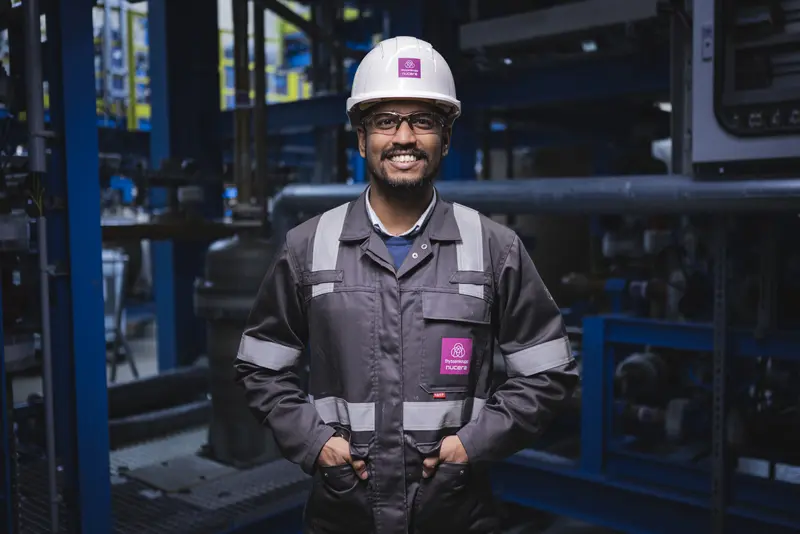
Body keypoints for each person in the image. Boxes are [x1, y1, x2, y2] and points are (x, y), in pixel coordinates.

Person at [234, 36, 579, 534]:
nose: (404, 137)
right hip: (344, 513)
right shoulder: (308, 246)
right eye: (384, 121)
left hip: (456, 513)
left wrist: (473, 445)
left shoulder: (494, 247)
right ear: (361, 139)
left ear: (445, 138)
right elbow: (259, 367)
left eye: (423, 121)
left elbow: (549, 374)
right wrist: (314, 445)